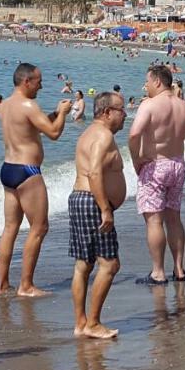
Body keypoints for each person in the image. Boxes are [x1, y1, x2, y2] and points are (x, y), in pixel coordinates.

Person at [0, 63, 72, 297]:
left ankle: (2, 285)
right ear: (26, 81)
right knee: (39, 228)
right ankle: (26, 286)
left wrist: (52, 116)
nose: (42, 85)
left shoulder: (4, 105)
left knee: (10, 228)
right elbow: (54, 133)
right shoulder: (30, 105)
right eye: (38, 81)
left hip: (8, 168)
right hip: (27, 171)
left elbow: (29, 129)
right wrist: (63, 114)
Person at [129, 64, 185, 284]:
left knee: (154, 221)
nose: (145, 86)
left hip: (155, 164)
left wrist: (136, 160)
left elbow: (134, 134)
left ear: (158, 81)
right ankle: (179, 269)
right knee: (174, 218)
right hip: (177, 164)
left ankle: (158, 271)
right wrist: (175, 137)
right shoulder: (183, 107)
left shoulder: (149, 105)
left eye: (147, 81)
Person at [69, 92, 127, 339]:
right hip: (93, 201)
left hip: (80, 199)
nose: (125, 115)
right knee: (110, 264)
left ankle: (81, 323)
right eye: (121, 110)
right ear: (107, 112)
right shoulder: (103, 136)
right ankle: (92, 323)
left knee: (84, 264)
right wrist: (105, 209)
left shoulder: (89, 133)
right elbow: (94, 173)